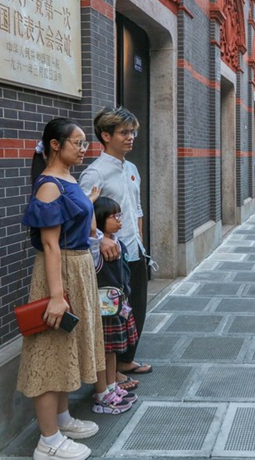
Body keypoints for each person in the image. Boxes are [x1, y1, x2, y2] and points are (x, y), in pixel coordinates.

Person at [19, 118, 104, 460]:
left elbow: (81, 222)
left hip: (78, 268)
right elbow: (50, 245)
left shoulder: (68, 179)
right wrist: (55, 296)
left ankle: (63, 419)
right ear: (55, 145)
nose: (83, 149)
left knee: (66, 348)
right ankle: (48, 441)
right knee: (50, 352)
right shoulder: (50, 185)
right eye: (77, 143)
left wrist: (89, 200)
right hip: (61, 272)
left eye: (85, 143)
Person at [79, 107, 153, 381]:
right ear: (105, 135)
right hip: (109, 259)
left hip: (135, 250)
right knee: (113, 314)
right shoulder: (94, 173)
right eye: (124, 132)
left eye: (132, 131)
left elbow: (137, 209)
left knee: (136, 307)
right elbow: (82, 215)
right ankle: (111, 372)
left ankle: (126, 361)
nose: (130, 137)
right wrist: (103, 239)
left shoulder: (131, 168)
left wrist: (141, 242)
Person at [89, 197, 139, 414]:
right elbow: (90, 238)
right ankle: (102, 395)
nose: (119, 221)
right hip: (103, 311)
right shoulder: (97, 249)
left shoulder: (118, 243)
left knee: (111, 353)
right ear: (99, 219)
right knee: (102, 352)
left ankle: (111, 386)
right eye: (113, 217)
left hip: (117, 307)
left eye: (120, 216)